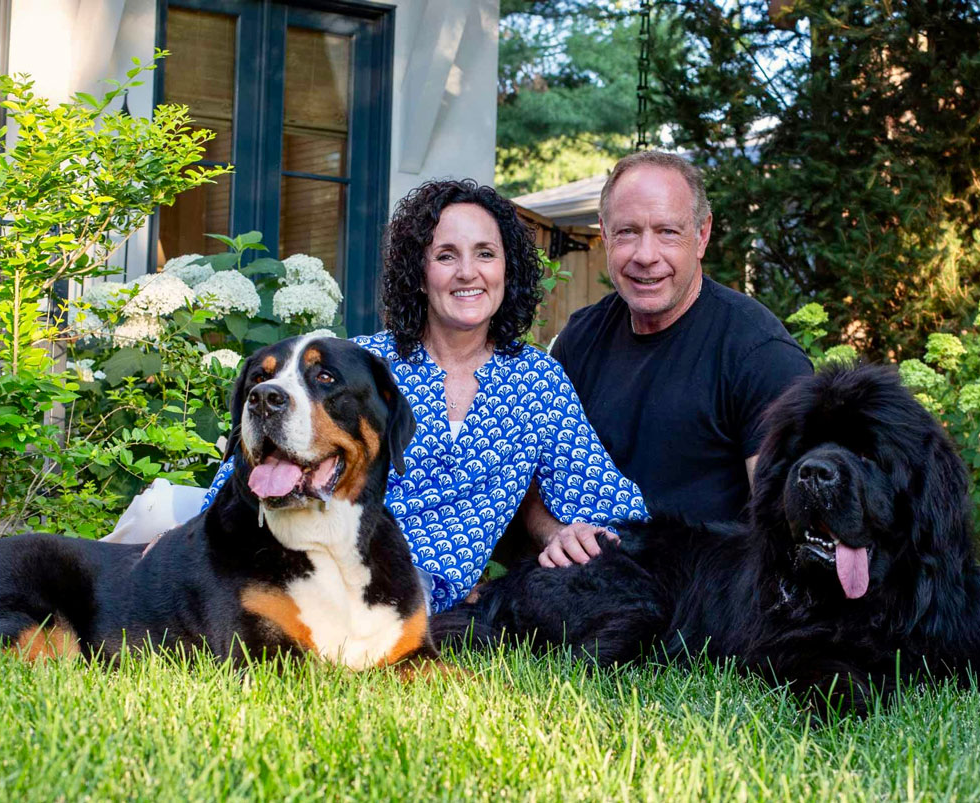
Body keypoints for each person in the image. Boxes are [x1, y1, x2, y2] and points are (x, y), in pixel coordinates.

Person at [198, 179, 649, 612]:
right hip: (312, 576)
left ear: (506, 270)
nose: (467, 272)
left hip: (426, 601)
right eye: (446, 255)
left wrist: (566, 533)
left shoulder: (537, 383)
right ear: (418, 271)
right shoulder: (360, 367)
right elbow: (248, 474)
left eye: (486, 254)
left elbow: (613, 510)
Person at [534, 151, 811, 531]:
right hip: (591, 579)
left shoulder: (760, 356)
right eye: (628, 232)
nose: (646, 256)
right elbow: (529, 480)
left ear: (701, 234)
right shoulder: (579, 340)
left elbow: (786, 529)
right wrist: (554, 534)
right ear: (604, 234)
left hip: (704, 585)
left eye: (667, 232)